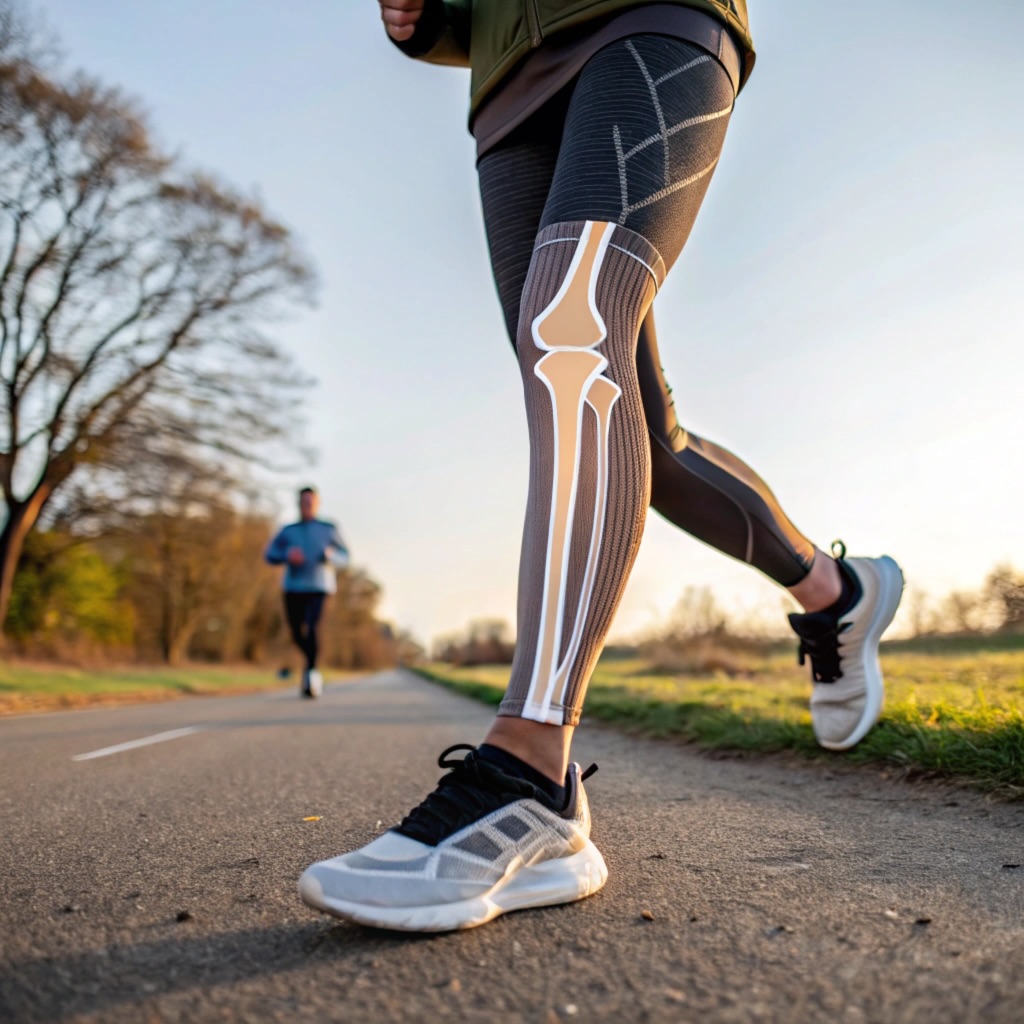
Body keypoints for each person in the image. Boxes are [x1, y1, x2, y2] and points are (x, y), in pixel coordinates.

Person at [298, 0, 904, 931]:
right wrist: (423, 23)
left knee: (572, 339)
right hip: (508, 86)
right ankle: (835, 590)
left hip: (648, 19)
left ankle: (532, 765)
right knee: (628, 422)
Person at [265, 487, 350, 698]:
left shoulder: (328, 529)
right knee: (296, 633)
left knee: (312, 629)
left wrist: (331, 555)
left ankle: (311, 674)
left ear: (317, 503)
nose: (307, 505)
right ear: (298, 503)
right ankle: (312, 666)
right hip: (293, 587)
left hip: (318, 587)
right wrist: (286, 554)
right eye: (304, 502)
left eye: (311, 501)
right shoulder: (288, 530)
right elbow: (270, 554)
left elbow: (345, 556)